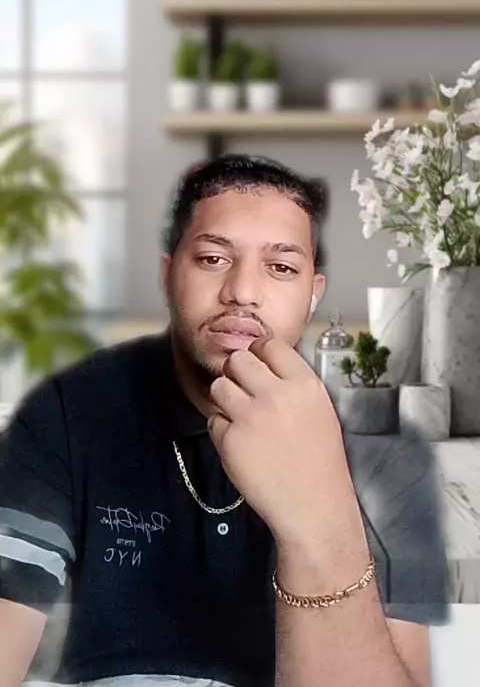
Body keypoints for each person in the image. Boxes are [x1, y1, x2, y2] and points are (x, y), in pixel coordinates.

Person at [0, 154, 450, 687]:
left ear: (313, 294)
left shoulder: (385, 451)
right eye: (213, 258)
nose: (242, 291)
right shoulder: (70, 409)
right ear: (168, 275)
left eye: (281, 267)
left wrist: (318, 512)